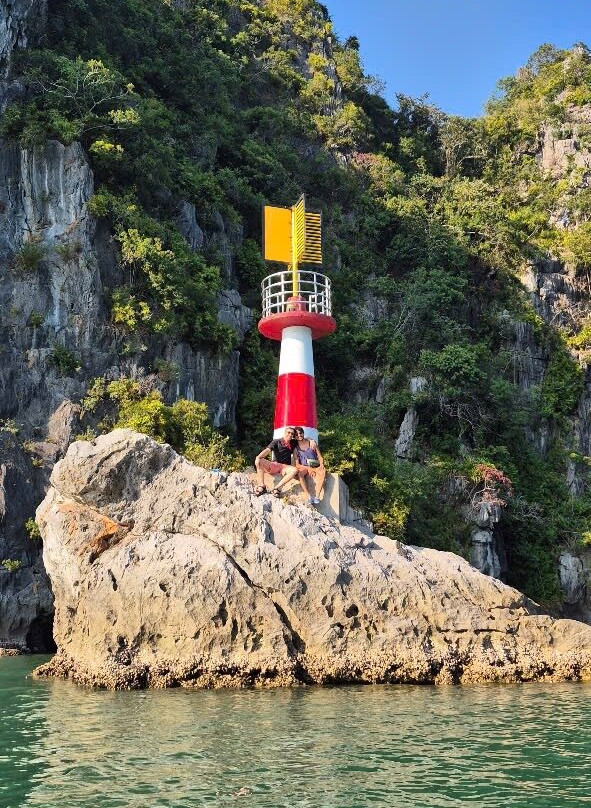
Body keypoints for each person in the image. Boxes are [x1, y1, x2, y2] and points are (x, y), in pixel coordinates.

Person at [254, 427, 299, 497]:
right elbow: (267, 450)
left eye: (292, 434)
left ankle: (277, 488)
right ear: (285, 433)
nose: (290, 435)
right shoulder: (276, 441)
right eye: (288, 432)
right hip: (275, 464)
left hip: (285, 467)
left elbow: (302, 439)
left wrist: (311, 441)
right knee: (260, 460)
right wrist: (258, 457)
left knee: (295, 470)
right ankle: (262, 486)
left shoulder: (293, 442)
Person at [293, 427, 326, 505]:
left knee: (323, 471)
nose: (299, 435)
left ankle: (317, 496)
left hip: (315, 465)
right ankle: (308, 496)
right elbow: (297, 465)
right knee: (299, 474)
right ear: (294, 436)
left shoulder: (312, 443)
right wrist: (309, 468)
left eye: (300, 433)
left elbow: (320, 456)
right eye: (296, 434)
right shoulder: (296, 449)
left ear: (303, 433)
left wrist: (321, 464)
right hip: (304, 467)